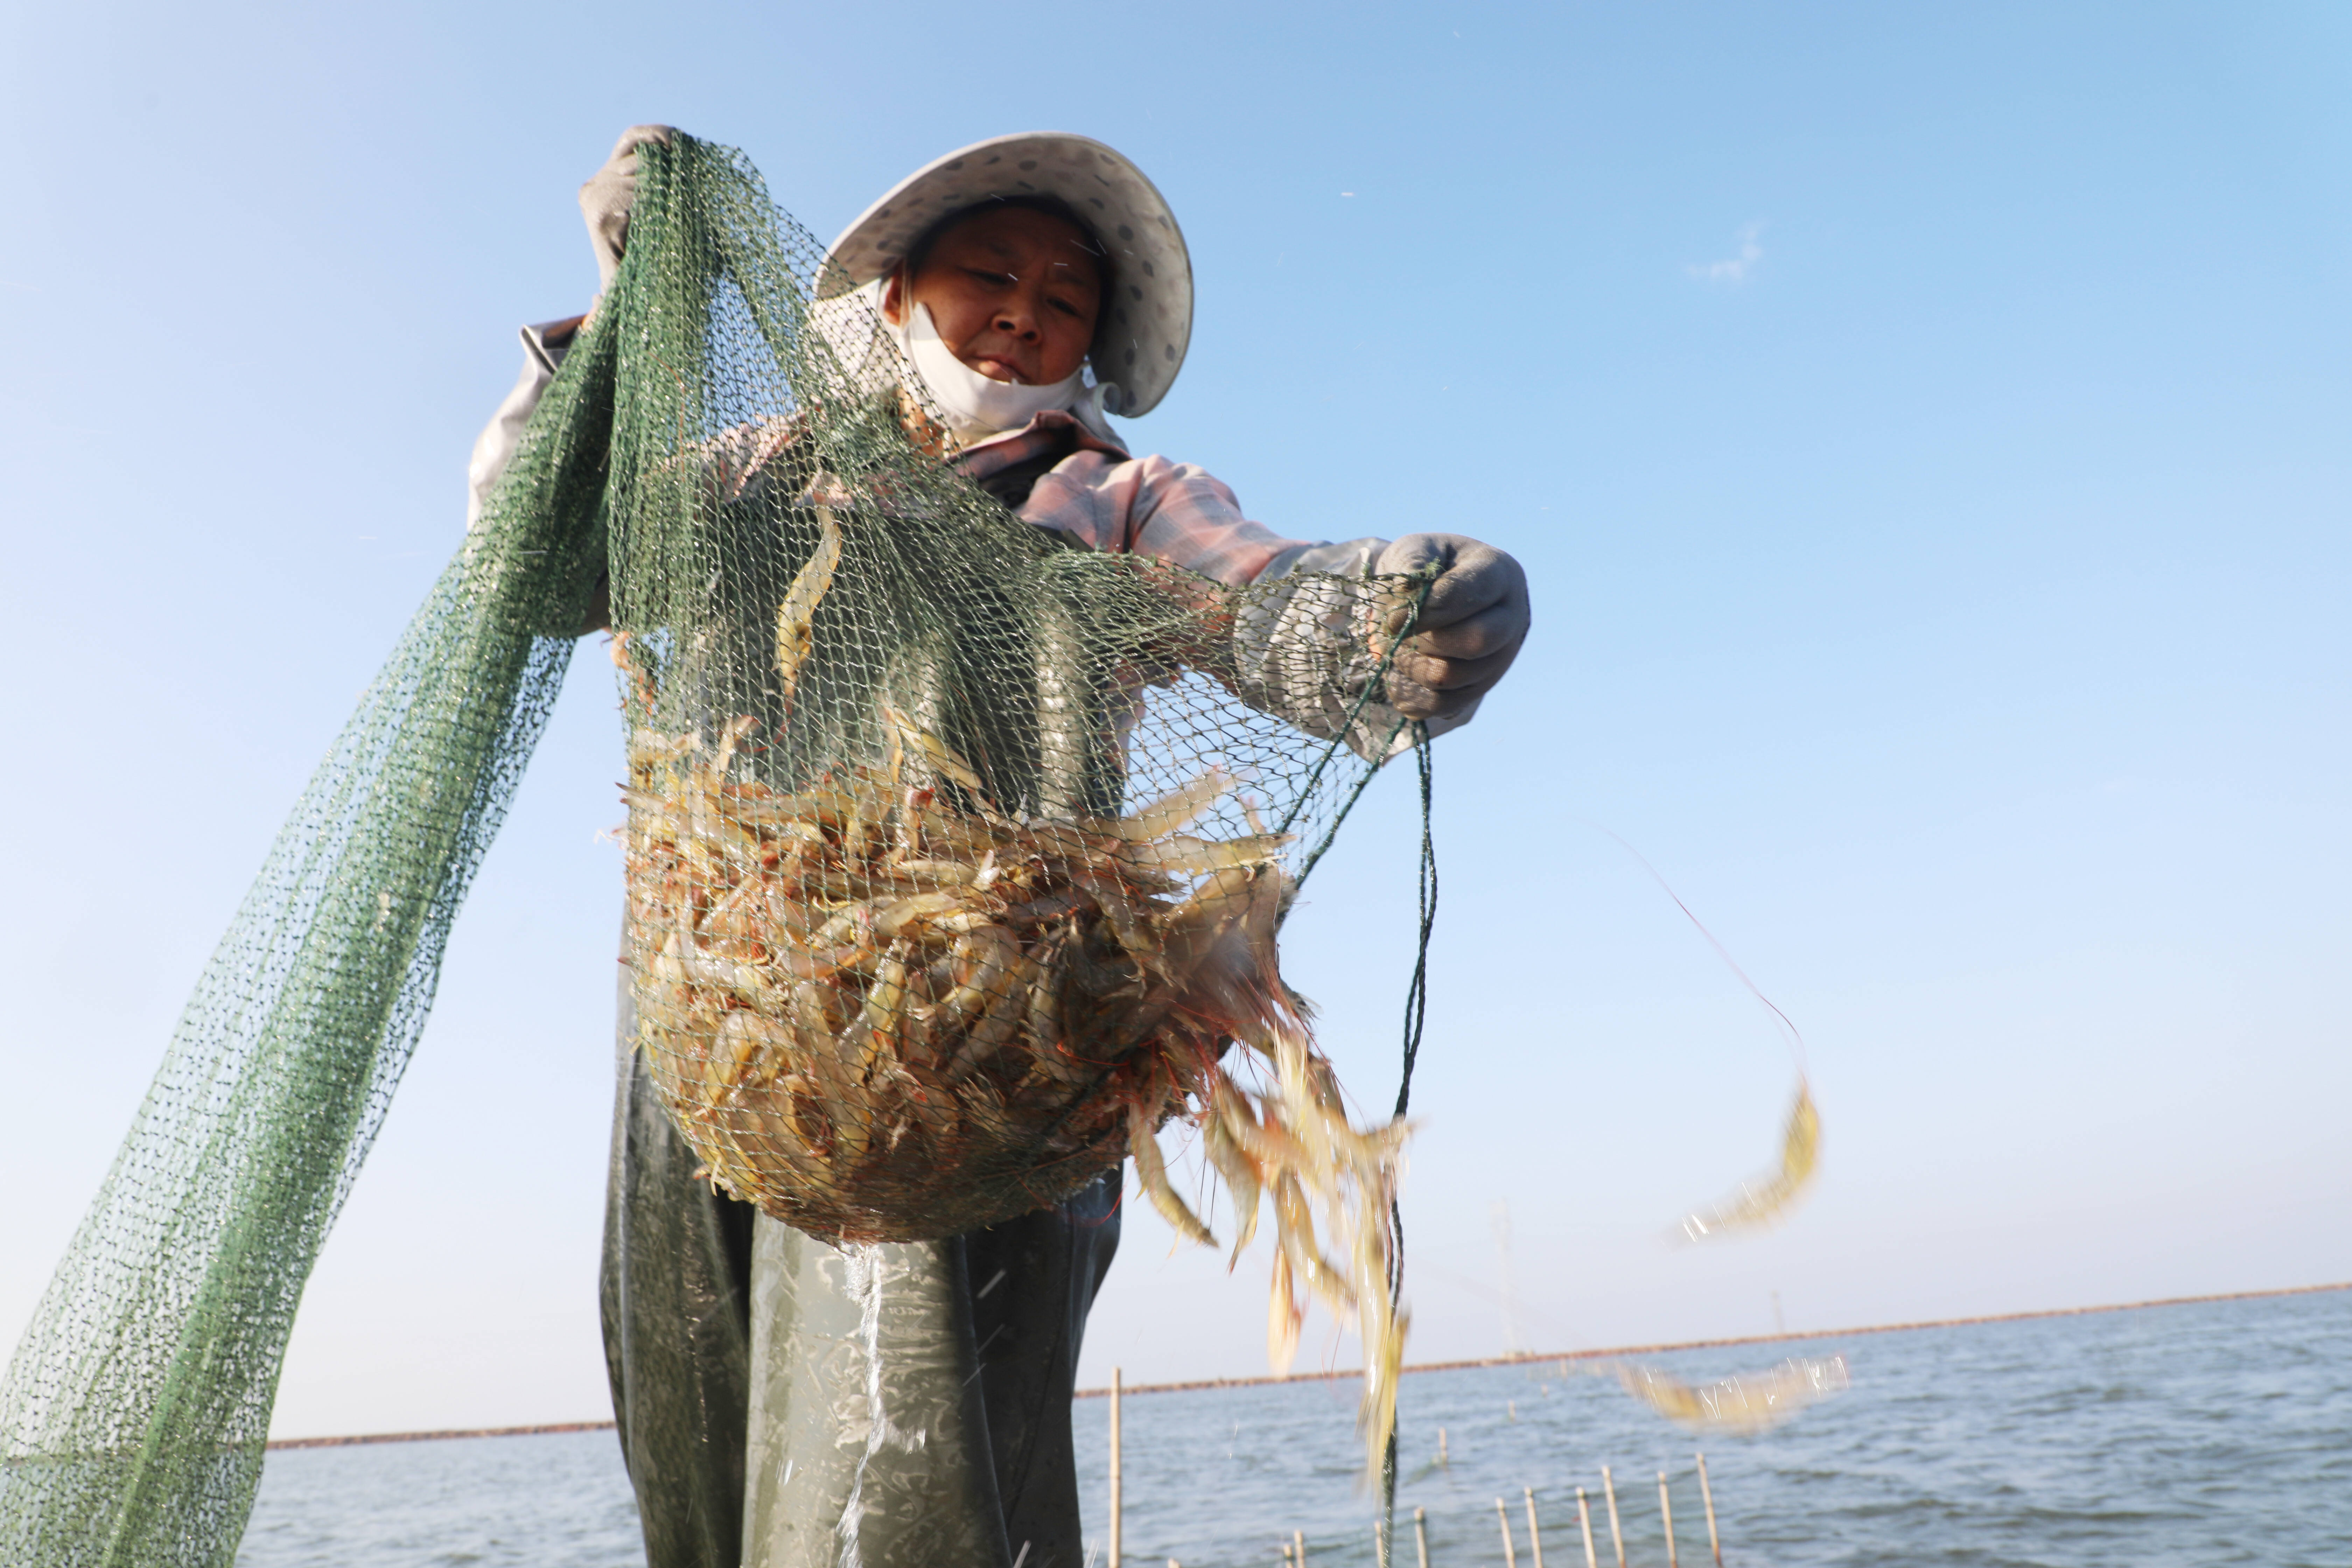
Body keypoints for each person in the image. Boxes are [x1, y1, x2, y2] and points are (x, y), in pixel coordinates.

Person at [467, 126, 1530, 1568]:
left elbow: (1268, 602)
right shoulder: (761, 472)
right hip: (717, 1027)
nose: (1029, 306)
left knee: (929, 1455)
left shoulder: (1119, 501)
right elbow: (542, 559)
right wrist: (617, 332)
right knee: (697, 1428)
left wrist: (1391, 622)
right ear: (894, 295)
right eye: (989, 270)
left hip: (990, 1043)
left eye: (1068, 295)